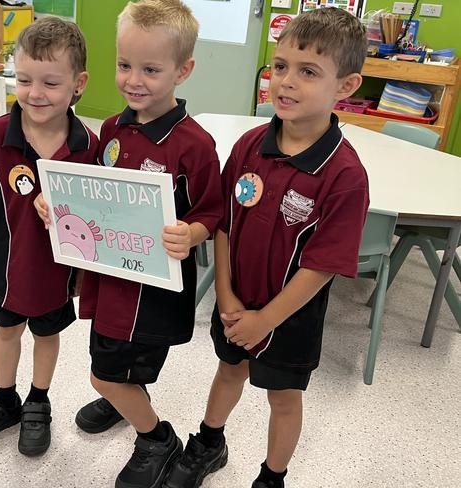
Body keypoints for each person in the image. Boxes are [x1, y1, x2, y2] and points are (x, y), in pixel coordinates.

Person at [163, 8, 370, 488]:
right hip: (237, 304)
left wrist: (265, 319)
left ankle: (271, 477)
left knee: (283, 397)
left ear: (345, 86)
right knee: (228, 370)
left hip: (290, 316)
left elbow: (321, 267)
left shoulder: (344, 176)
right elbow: (225, 226)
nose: (286, 82)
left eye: (308, 72)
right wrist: (229, 298)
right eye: (280, 67)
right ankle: (209, 443)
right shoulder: (250, 145)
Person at [67, 0, 221, 486]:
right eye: (124, 64)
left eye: (151, 69)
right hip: (111, 277)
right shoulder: (112, 128)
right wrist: (61, 205)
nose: (134, 79)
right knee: (109, 360)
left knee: (104, 371)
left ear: (183, 71)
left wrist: (192, 232)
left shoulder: (194, 145)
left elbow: (213, 212)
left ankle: (156, 436)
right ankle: (122, 394)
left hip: (151, 293)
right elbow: (93, 190)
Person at [0, 16, 99, 456]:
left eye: (51, 82)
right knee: (7, 331)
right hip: (5, 264)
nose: (35, 93)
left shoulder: (88, 145)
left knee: (47, 335)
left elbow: (96, 212)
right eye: (24, 79)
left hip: (57, 271)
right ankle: (4, 400)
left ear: (79, 83)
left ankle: (38, 401)